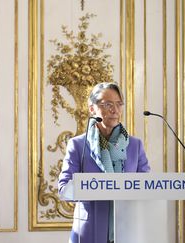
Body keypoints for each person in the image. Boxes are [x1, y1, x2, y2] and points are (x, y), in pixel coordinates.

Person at [58, 82, 150, 243]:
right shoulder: (78, 145)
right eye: (107, 104)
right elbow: (64, 189)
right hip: (88, 233)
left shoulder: (135, 145)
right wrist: (95, 185)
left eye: (118, 104)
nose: (114, 110)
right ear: (92, 108)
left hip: (128, 231)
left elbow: (147, 187)